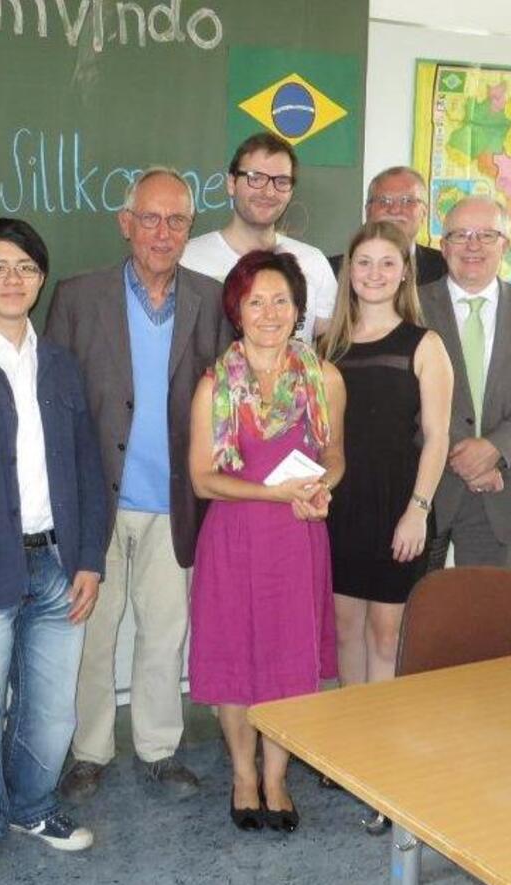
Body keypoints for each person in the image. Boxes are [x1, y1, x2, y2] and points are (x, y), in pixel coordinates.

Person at [46, 168, 233, 801]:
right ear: (125, 224)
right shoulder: (78, 297)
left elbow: (229, 402)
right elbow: (55, 406)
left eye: (176, 220)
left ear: (189, 228)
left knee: (165, 633)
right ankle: (90, 750)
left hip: (176, 502)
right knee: (93, 636)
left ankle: (159, 747)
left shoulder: (212, 300)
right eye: (149, 219)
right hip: (99, 501)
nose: (162, 232)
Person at [0, 218, 106, 884]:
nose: (12, 279)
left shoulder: (60, 359)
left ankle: (32, 807)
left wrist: (89, 557)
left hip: (59, 564)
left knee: (52, 707)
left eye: (26, 267)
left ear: (41, 278)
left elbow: (88, 466)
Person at [188, 249, 346, 833]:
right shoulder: (215, 386)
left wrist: (322, 486)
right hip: (233, 539)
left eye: (282, 300)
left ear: (299, 309)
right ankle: (242, 775)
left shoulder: (323, 377)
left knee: (288, 664)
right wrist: (276, 494)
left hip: (298, 540)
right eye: (257, 301)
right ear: (237, 310)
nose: (271, 312)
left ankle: (276, 777)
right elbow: (204, 479)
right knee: (236, 663)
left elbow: (335, 455)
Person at [321, 222, 453, 684]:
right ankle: (350, 744)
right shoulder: (326, 347)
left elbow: (438, 437)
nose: (374, 273)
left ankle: (378, 747)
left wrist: (417, 512)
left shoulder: (425, 345)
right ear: (348, 271)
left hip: (399, 507)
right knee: (343, 630)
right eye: (363, 262)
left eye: (387, 263)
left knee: (384, 634)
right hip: (338, 508)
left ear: (404, 274)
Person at [420, 196, 511, 569]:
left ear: (506, 245)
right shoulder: (411, 307)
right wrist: (463, 457)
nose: (473, 245)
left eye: (486, 234)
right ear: (442, 244)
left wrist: (495, 451)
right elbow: (400, 395)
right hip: (423, 492)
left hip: (499, 489)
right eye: (461, 234)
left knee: (484, 619)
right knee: (418, 617)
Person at [180, 132, 336, 343]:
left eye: (281, 181)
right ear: (231, 183)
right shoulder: (187, 260)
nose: (269, 192)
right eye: (256, 178)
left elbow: (331, 345)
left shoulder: (314, 262)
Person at [327, 167, 447, 285]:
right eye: (384, 201)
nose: (394, 210)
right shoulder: (329, 271)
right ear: (368, 211)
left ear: (424, 212)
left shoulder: (446, 269)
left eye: (407, 201)